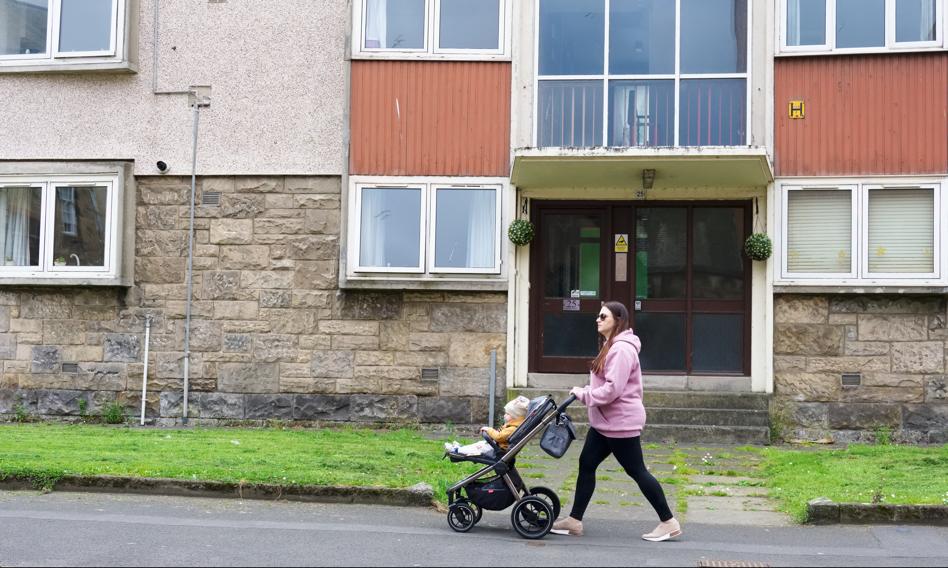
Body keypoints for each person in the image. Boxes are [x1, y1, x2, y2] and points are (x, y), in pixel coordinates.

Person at [550, 301, 682, 542]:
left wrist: (584, 394)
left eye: (603, 316)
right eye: (598, 316)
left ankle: (668, 521)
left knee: (637, 471)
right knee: (587, 463)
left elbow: (613, 390)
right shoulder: (611, 345)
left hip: (620, 421)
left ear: (617, 320)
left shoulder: (621, 350)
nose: (597, 319)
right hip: (606, 422)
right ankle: (574, 520)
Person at [444, 396, 530, 456]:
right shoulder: (512, 425)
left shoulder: (512, 429)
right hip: (495, 445)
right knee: (479, 444)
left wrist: (489, 430)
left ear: (516, 417)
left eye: (507, 414)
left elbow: (499, 437)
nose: (504, 415)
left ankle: (456, 450)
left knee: (478, 448)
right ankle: (461, 448)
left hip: (497, 449)